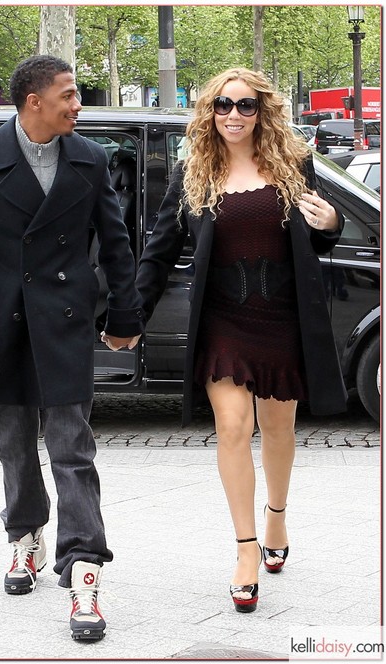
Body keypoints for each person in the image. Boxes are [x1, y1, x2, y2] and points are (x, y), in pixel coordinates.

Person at [0, 54, 143, 641]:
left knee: (72, 447)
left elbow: (115, 243)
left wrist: (124, 315)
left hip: (65, 322)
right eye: (70, 94)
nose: (78, 104)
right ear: (35, 100)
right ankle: (24, 536)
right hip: (2, 328)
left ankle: (83, 569)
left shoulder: (90, 158)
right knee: (11, 443)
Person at [134, 68, 347, 614]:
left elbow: (316, 234)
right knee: (233, 426)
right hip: (223, 319)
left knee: (278, 426)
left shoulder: (292, 166)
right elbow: (158, 252)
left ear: (262, 111)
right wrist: (129, 315)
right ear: (209, 112)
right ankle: (246, 550)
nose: (233, 115)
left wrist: (332, 225)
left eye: (245, 105)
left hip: (281, 317)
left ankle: (277, 514)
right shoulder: (192, 174)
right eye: (223, 105)